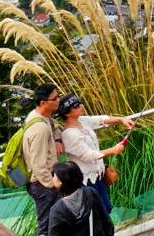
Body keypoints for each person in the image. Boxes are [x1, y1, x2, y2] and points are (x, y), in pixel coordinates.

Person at [56, 96, 134, 215]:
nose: (81, 106)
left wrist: (121, 119)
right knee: (96, 213)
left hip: (97, 176)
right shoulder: (68, 134)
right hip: (85, 181)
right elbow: (88, 155)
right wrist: (112, 150)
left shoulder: (82, 120)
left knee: (106, 208)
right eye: (76, 106)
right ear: (67, 113)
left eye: (79, 103)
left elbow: (101, 119)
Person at [22, 85, 63, 236]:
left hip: (44, 181)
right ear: (43, 102)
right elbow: (38, 164)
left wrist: (58, 139)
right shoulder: (39, 128)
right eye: (55, 98)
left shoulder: (41, 116)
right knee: (46, 227)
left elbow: (54, 125)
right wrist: (52, 185)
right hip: (42, 183)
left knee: (55, 223)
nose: (59, 100)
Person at [46, 163, 113, 236]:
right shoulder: (91, 193)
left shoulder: (57, 210)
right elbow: (107, 223)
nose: (52, 178)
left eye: (54, 176)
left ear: (61, 181)